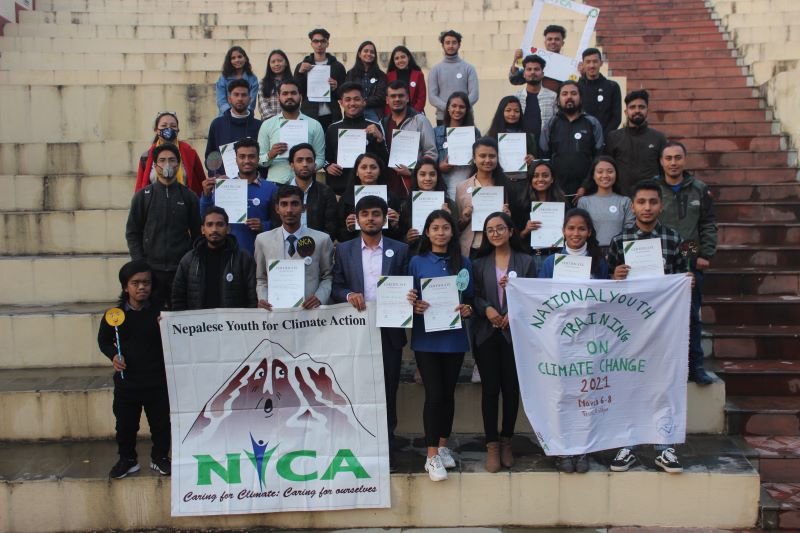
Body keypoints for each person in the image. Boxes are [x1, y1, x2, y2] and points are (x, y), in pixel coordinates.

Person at [607, 179, 693, 474]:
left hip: (663, 328)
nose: (646, 207)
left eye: (652, 202)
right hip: (629, 328)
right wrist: (615, 275)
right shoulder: (620, 241)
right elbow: (607, 284)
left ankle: (664, 446)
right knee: (627, 382)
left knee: (662, 383)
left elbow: (683, 274)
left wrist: (687, 280)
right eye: (641, 202)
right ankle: (626, 444)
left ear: (661, 205)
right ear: (633, 206)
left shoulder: (673, 238)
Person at [331, 195, 409, 467]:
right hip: (357, 330)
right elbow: (336, 286)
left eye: (376, 214)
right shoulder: (344, 250)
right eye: (365, 214)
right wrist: (349, 293)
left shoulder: (400, 250)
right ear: (357, 219)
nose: (371, 219)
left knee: (388, 387)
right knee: (357, 387)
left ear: (384, 218)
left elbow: (409, 284)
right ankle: (360, 443)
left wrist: (410, 295)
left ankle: (387, 443)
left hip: (389, 329)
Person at [537, 208, 609, 474]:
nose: (575, 233)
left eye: (581, 229)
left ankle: (583, 448)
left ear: (589, 232)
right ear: (562, 231)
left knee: (586, 394)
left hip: (589, 338)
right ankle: (561, 448)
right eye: (571, 228)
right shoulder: (549, 263)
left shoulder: (599, 262)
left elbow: (606, 298)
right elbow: (540, 299)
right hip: (559, 338)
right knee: (561, 393)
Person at [408, 210, 473, 481]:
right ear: (427, 232)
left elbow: (469, 297)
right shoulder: (416, 262)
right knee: (434, 396)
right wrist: (414, 301)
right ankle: (431, 455)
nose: (440, 233)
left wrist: (467, 308)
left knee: (447, 395)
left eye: (445, 228)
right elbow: (407, 296)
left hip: (454, 338)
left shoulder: (464, 262)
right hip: (426, 339)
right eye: (435, 228)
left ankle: (443, 446)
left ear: (452, 232)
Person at [472, 211, 537, 472]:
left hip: (515, 335)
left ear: (511, 231)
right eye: (490, 230)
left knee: (511, 390)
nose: (495, 233)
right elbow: (473, 294)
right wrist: (486, 308)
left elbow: (534, 294)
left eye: (500, 228)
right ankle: (492, 445)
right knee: (490, 391)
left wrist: (516, 311)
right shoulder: (478, 263)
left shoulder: (526, 261)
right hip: (487, 333)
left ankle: (507, 440)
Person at [98, 261, 170, 479]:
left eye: (146, 283)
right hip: (127, 382)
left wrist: (165, 328)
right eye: (135, 283)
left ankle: (159, 457)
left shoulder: (161, 313)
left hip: (157, 381)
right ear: (125, 287)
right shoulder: (114, 316)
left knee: (160, 424)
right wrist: (113, 355)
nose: (141, 287)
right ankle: (127, 459)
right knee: (126, 425)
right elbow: (103, 340)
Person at [654, 141, 717, 385]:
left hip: (689, 261)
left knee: (692, 317)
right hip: (659, 262)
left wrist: (706, 254)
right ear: (661, 161)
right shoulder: (654, 188)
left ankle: (696, 367)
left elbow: (708, 223)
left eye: (677, 157)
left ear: (685, 160)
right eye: (668, 158)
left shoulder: (699, 189)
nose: (673, 162)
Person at [126, 143, 201, 308]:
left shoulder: (189, 197)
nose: (167, 164)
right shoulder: (143, 196)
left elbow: (198, 234)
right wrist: (140, 263)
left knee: (181, 315)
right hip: (152, 271)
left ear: (178, 164)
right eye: (162, 160)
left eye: (172, 160)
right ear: (155, 165)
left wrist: (191, 262)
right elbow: (133, 232)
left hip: (180, 270)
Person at [255, 185, 334, 310]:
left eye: (295, 204)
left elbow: (327, 276)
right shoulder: (263, 240)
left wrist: (319, 297)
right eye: (284, 204)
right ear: (277, 208)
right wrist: (263, 299)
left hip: (311, 313)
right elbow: (261, 278)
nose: (289, 210)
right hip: (276, 311)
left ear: (303, 208)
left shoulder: (322, 239)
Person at [200, 138, 277, 256]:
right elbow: (206, 217)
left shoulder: (271, 188)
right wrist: (206, 195)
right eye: (242, 156)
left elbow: (280, 222)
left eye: (251, 156)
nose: (247, 161)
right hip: (228, 253)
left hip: (261, 254)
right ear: (235, 159)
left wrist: (264, 225)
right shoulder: (225, 186)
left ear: (258, 159)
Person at [171, 206, 258, 310]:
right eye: (209, 224)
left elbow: (253, 297)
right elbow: (178, 298)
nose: (214, 229)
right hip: (199, 324)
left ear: (228, 228)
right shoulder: (189, 260)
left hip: (233, 323)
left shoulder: (243, 259)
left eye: (220, 224)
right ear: (203, 229)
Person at [324, 81, 390, 195]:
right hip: (340, 189)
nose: (352, 103)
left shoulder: (375, 127)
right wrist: (328, 166)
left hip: (370, 190)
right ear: (341, 102)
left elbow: (385, 161)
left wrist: (380, 140)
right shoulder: (332, 129)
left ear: (364, 102)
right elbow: (325, 157)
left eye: (356, 99)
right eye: (348, 99)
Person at [540, 81, 604, 197]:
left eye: (573, 93)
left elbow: (598, 159)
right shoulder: (551, 124)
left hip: (587, 192)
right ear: (558, 100)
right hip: (557, 192)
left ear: (581, 98)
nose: (569, 97)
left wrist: (585, 186)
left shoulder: (592, 123)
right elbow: (544, 158)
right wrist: (554, 188)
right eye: (564, 94)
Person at [258, 78, 326, 185]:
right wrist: (270, 155)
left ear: (300, 97)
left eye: (293, 93)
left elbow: (320, 158)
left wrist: (308, 168)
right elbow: (259, 159)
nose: (289, 96)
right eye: (285, 93)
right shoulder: (267, 125)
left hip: (304, 184)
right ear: (278, 97)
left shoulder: (314, 125)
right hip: (275, 183)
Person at [486, 95, 538, 229]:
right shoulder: (491, 136)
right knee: (503, 222)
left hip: (524, 186)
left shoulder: (529, 136)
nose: (512, 114)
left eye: (516, 111)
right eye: (508, 110)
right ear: (501, 112)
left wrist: (532, 159)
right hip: (500, 184)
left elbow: (538, 163)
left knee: (522, 222)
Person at [455, 137, 512, 258]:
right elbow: (457, 227)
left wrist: (508, 217)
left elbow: (512, 225)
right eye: (482, 156)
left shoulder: (506, 186)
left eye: (492, 156)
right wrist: (465, 218)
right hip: (471, 248)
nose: (487, 160)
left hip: (497, 248)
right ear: (474, 159)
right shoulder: (461, 187)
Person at [605, 90, 667, 196]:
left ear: (648, 110)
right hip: (621, 199)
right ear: (626, 112)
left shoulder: (658, 138)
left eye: (641, 107)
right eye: (632, 107)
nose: (637, 110)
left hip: (650, 199)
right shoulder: (613, 137)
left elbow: (664, 171)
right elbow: (607, 168)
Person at [382, 80, 437, 197]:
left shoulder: (420, 120)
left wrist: (413, 172)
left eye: (401, 96)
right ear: (387, 100)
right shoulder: (383, 123)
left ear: (407, 98)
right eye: (393, 96)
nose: (397, 99)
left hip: (412, 186)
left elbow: (431, 152)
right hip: (388, 186)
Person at [337, 152, 404, 243]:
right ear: (356, 172)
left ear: (380, 171)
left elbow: (399, 236)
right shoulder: (346, 199)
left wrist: (396, 225)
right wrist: (349, 229)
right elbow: (339, 234)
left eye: (373, 167)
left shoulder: (392, 198)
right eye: (363, 167)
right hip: (355, 248)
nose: (368, 171)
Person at [135, 111, 205, 196]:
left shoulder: (190, 154)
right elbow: (139, 188)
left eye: (173, 126)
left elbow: (202, 185)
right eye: (164, 126)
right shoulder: (146, 157)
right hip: (155, 206)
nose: (169, 129)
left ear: (178, 130)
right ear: (156, 130)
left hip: (185, 205)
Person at [279, 143, 338, 238]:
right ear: (292, 165)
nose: (305, 164)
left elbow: (331, 227)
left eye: (309, 160)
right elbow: (276, 225)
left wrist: (317, 246)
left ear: (314, 165)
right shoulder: (280, 193)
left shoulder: (326, 192)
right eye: (300, 160)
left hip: (318, 247)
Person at [577, 156, 634, 254]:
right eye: (600, 172)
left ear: (616, 175)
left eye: (610, 171)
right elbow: (581, 230)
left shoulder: (625, 201)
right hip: (591, 252)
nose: (605, 175)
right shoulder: (584, 202)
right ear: (593, 176)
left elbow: (629, 230)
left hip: (619, 252)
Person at [401, 157, 457, 256]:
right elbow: (399, 235)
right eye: (422, 174)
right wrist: (407, 238)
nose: (428, 178)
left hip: (445, 256)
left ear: (438, 177)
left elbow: (456, 235)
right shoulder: (407, 205)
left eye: (432, 174)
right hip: (416, 256)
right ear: (416, 177)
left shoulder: (449, 204)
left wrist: (448, 218)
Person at [293, 28, 347, 132]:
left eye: (322, 41)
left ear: (327, 43)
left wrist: (337, 87)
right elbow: (298, 91)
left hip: (331, 115)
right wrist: (300, 73)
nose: (319, 44)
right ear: (311, 44)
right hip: (309, 114)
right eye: (316, 41)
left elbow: (343, 93)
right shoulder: (302, 66)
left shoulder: (337, 66)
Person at [520, 160, 569, 270]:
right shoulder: (522, 205)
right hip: (530, 258)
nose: (540, 179)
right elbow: (513, 238)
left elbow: (571, 233)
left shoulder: (563, 205)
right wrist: (526, 230)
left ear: (552, 179)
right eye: (536, 176)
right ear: (530, 179)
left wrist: (563, 234)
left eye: (545, 175)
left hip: (557, 257)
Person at [434, 91, 481, 200]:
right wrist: (439, 167)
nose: (457, 110)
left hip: (469, 182)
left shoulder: (475, 133)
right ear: (448, 109)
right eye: (454, 106)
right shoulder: (436, 132)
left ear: (467, 110)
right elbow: (430, 159)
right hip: (446, 183)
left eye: (462, 107)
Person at [205, 79, 262, 165]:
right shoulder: (217, 124)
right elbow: (211, 156)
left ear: (250, 99)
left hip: (252, 177)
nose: (240, 98)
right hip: (225, 178)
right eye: (236, 95)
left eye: (244, 95)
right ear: (229, 99)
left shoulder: (260, 126)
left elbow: (263, 156)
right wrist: (217, 175)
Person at [428, 29, 479, 125]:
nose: (451, 46)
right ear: (443, 45)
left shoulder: (469, 68)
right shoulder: (435, 70)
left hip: (466, 116)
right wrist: (450, 109)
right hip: (442, 117)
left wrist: (460, 108)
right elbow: (432, 96)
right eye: (447, 43)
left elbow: (474, 94)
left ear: (459, 45)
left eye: (454, 43)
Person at [512, 55, 557, 148]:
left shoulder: (553, 97)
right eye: (529, 69)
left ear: (542, 74)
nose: (533, 72)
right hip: (521, 147)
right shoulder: (516, 98)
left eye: (536, 69)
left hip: (547, 147)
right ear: (524, 74)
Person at [577, 48, 622, 136]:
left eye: (595, 61)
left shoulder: (612, 87)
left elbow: (616, 118)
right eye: (588, 62)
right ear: (583, 64)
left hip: (605, 140)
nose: (592, 65)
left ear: (601, 63)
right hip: (581, 139)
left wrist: (603, 137)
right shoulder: (577, 88)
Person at [509, 25, 567, 92]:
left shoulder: (568, 66)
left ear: (562, 43)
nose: (553, 42)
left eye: (557, 39)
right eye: (549, 39)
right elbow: (515, 80)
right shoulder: (535, 62)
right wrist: (516, 60)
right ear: (545, 42)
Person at [345, 40, 388, 123]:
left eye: (372, 52)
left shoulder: (381, 75)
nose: (369, 54)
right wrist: (358, 103)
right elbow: (347, 93)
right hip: (354, 111)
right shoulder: (351, 74)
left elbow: (381, 96)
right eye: (366, 51)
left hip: (374, 113)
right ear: (359, 54)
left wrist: (363, 102)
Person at [215, 46, 259, 116]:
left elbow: (251, 103)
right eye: (233, 58)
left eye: (240, 57)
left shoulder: (253, 79)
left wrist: (242, 115)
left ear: (245, 59)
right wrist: (232, 115)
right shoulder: (223, 78)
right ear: (229, 61)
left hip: (246, 118)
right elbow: (221, 102)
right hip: (225, 117)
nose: (237, 60)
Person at [385, 46, 426, 115]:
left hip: (415, 114)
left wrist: (413, 114)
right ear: (393, 61)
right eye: (397, 58)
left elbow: (421, 97)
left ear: (408, 58)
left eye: (403, 57)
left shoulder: (418, 75)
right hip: (395, 115)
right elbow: (387, 98)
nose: (400, 60)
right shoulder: (389, 76)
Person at [257, 49, 293, 121]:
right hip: (269, 123)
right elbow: (263, 105)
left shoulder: (293, 82)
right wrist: (276, 121)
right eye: (273, 62)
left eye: (280, 61)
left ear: (286, 63)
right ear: (269, 65)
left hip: (289, 124)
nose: (276, 64)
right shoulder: (263, 83)